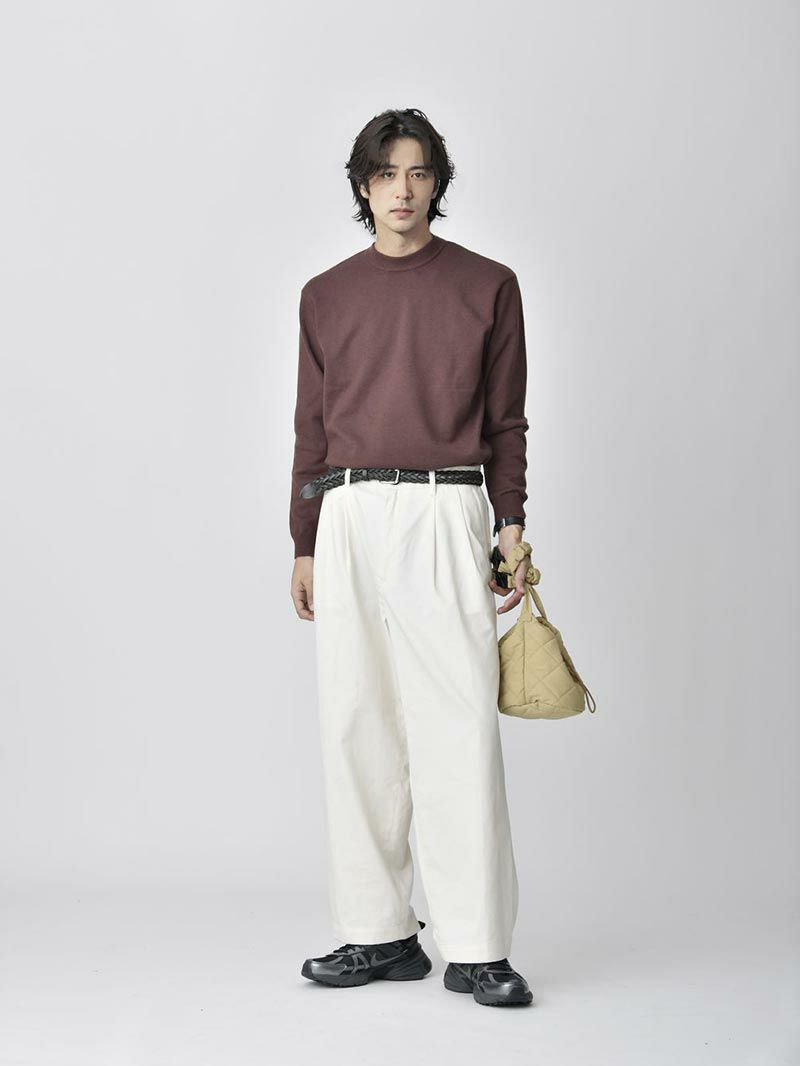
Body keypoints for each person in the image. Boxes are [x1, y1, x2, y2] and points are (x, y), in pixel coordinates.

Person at [289, 108, 534, 1008]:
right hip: (349, 509)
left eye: (419, 172)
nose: (403, 188)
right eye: (387, 173)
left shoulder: (488, 286)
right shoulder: (325, 295)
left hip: (445, 505)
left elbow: (506, 421)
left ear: (437, 183)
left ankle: (477, 946)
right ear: (364, 185)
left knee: (458, 724)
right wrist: (304, 540)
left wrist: (510, 524)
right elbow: (311, 429)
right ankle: (379, 933)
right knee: (356, 721)